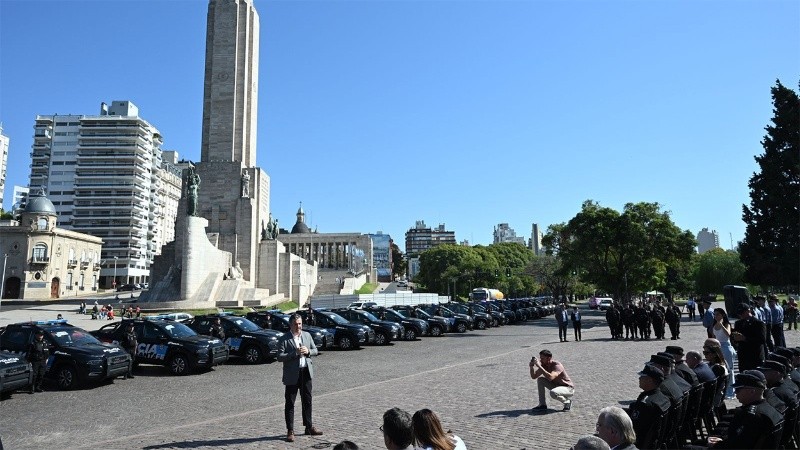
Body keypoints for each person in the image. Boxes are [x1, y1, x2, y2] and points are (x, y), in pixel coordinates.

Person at [706, 370, 783, 448]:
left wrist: (717, 444)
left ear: (752, 391)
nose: (735, 392)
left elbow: (738, 445)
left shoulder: (752, 416)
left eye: (738, 389)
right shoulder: (768, 408)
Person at [277, 313, 321, 442]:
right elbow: (280, 357)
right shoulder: (284, 339)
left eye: (300, 324)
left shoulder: (307, 335)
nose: (298, 326)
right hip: (292, 375)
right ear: (290, 325)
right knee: (290, 403)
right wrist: (294, 353)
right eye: (296, 324)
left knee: (307, 401)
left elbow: (316, 350)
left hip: (306, 373)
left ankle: (309, 426)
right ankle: (290, 430)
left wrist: (309, 352)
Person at [628, 365, 670, 449]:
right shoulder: (663, 398)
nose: (639, 379)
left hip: (641, 444)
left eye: (642, 377)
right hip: (656, 442)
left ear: (650, 380)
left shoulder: (645, 404)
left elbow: (633, 428)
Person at [731, 303, 766, 371]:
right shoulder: (738, 323)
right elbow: (735, 339)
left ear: (748, 311)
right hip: (743, 357)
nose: (741, 315)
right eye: (739, 313)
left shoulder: (758, 323)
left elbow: (762, 340)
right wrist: (734, 338)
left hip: (755, 357)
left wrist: (745, 338)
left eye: (742, 313)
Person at [27, 329, 49, 393]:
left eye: (41, 335)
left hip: (43, 361)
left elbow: (47, 351)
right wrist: (29, 361)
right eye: (39, 335)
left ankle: (38, 387)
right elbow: (29, 353)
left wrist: (47, 359)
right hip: (35, 361)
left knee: (41, 374)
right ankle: (32, 388)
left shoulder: (45, 342)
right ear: (36, 335)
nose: (40, 336)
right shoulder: (32, 343)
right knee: (34, 375)